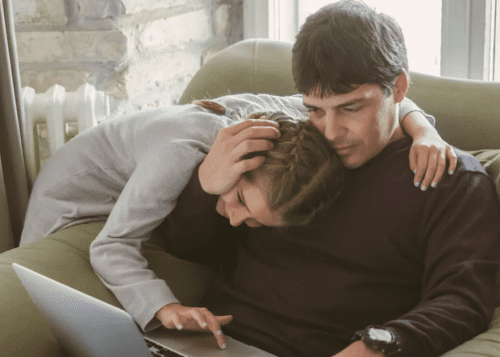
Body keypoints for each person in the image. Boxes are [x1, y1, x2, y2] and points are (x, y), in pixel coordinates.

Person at [22, 91, 451, 349]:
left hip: (142, 184)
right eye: (240, 199)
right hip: (76, 200)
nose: (234, 220)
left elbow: (387, 97)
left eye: (254, 222)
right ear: (237, 165)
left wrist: (424, 132)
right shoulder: (179, 153)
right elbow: (110, 246)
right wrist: (165, 307)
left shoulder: (298, 127)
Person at [189, 1, 500, 357]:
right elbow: (187, 249)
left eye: (351, 108)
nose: (331, 132)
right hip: (210, 345)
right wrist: (205, 184)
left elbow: (462, 301)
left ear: (398, 88)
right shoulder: (288, 143)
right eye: (315, 110)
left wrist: (376, 345)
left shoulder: (452, 184)